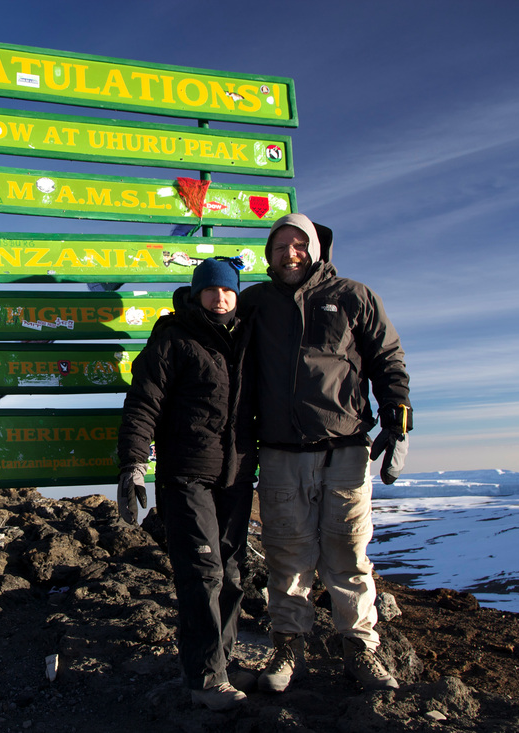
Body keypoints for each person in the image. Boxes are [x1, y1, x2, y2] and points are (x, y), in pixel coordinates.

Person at [237, 213, 412, 693]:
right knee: (286, 554)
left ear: (316, 248)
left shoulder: (352, 296)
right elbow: (214, 336)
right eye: (280, 247)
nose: (289, 253)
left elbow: (387, 357)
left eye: (299, 244)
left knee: (348, 551)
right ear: (269, 255)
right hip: (277, 450)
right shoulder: (255, 303)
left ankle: (359, 648)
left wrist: (398, 413)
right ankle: (288, 648)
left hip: (344, 447)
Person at [117, 258, 257, 711]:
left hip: (235, 475)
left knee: (234, 574)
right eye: (211, 290)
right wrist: (133, 464)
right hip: (186, 474)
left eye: (228, 291)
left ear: (237, 295)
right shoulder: (173, 336)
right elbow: (144, 401)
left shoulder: (247, 338)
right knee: (203, 574)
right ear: (197, 293)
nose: (220, 298)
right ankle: (205, 678)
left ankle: (223, 661)